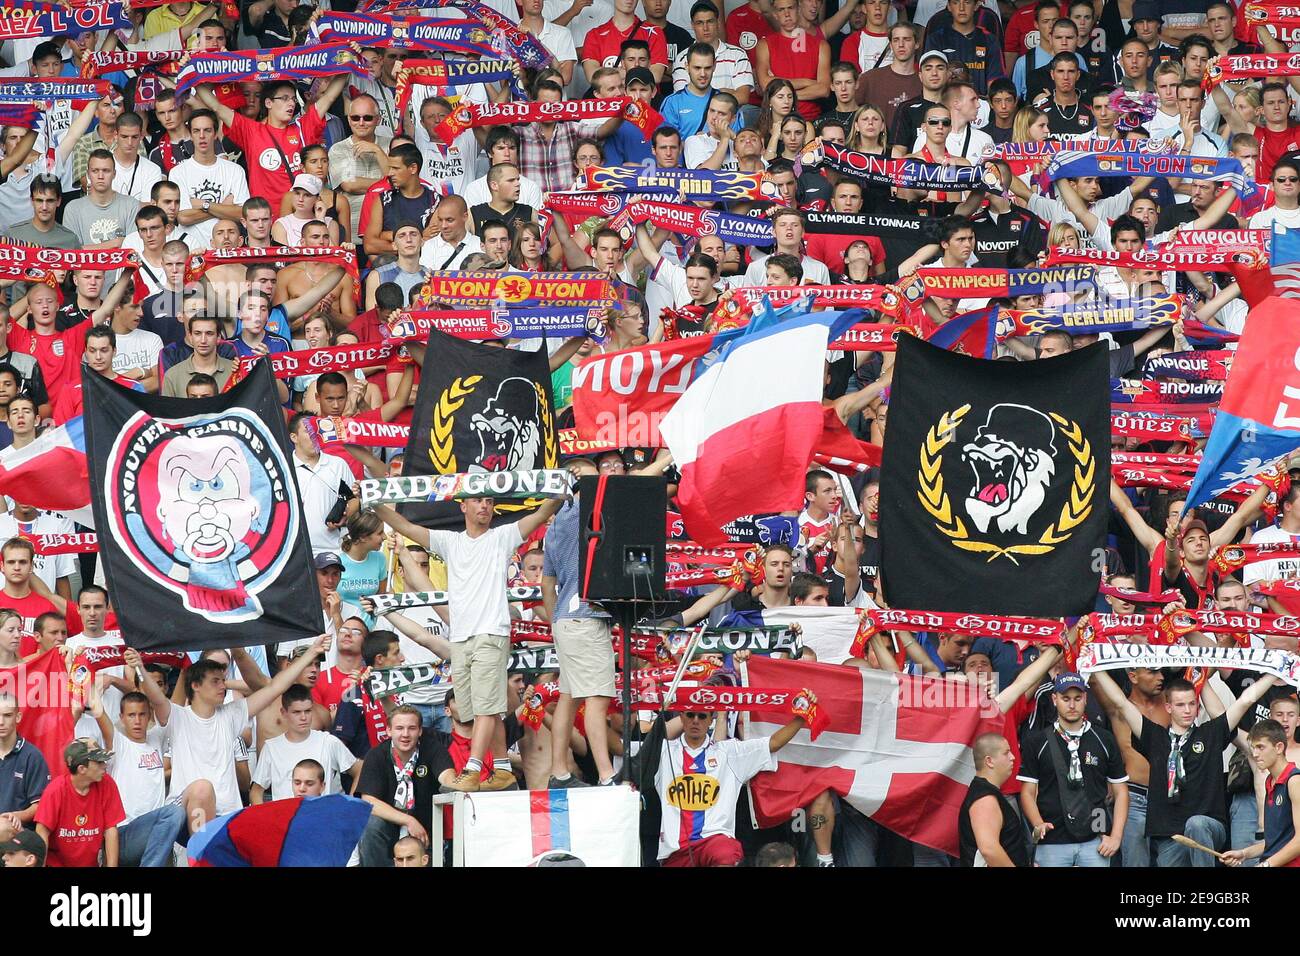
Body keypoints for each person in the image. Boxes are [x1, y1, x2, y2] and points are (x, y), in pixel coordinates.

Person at [376, 490, 566, 793]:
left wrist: (560, 489)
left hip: (491, 632)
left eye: (489, 501)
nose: (485, 506)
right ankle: (502, 766)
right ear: (463, 505)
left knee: (484, 707)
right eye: (478, 500)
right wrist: (374, 501)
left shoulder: (501, 536)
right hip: (460, 636)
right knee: (471, 709)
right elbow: (406, 527)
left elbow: (541, 514)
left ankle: (473, 768)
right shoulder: (450, 541)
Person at [1090, 670, 1280, 867]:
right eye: (1180, 705)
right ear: (1168, 707)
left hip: (1208, 825)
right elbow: (1120, 702)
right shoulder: (1155, 737)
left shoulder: (1210, 733)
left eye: (1192, 704)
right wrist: (1095, 667)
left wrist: (1276, 671)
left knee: (1196, 824)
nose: (1187, 710)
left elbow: (1246, 700)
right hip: (1168, 833)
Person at [654, 692, 816, 866]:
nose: (695, 720)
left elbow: (773, 743)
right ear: (681, 717)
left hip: (713, 841)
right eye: (690, 715)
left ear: (711, 720)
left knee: (727, 852)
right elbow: (623, 751)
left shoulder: (729, 752)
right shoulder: (662, 752)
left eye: (702, 716)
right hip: (675, 850)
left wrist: (802, 716)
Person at [1018, 672, 1129, 867]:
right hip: (1052, 839)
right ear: (1054, 699)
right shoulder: (1037, 741)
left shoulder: (1104, 738)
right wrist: (1038, 823)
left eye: (1077, 698)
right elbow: (1027, 792)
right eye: (1065, 698)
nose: (1072, 705)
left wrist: (1116, 837)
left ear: (1086, 698)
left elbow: (1121, 791)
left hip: (1096, 837)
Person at [355, 704, 453, 866]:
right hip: (388, 836)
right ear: (388, 731)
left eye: (412, 728)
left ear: (420, 731)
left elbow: (447, 775)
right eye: (399, 728)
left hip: (426, 835)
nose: (405, 734)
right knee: (370, 823)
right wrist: (408, 821)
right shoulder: (377, 754)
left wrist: (452, 781)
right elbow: (368, 801)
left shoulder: (432, 748)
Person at [250, 685, 363, 802]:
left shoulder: (328, 742)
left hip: (322, 817)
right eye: (297, 712)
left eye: (308, 711)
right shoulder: (271, 747)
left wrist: (351, 804)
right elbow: (256, 791)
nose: (303, 717)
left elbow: (359, 768)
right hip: (286, 818)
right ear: (283, 713)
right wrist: (266, 819)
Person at [34, 739, 126, 867]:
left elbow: (111, 829)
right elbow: (42, 831)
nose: (105, 765)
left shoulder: (106, 783)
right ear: (82, 768)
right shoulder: (55, 790)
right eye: (99, 762)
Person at [1223, 720, 1300, 868]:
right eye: (1253, 748)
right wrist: (1244, 853)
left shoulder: (1295, 780)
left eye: (1260, 747)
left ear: (1279, 747)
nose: (1255, 754)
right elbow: (1274, 841)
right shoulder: (1269, 781)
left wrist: (1266, 865)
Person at [959, 733, 1030, 867]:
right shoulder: (984, 799)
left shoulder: (986, 793)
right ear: (989, 761)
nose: (1013, 757)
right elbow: (989, 850)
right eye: (1006, 753)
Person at [0, 693, 49, 832]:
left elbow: (40, 806)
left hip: (19, 835)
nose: (1, 722)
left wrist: (15, 816)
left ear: (18, 717)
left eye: (7, 715)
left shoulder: (32, 756)